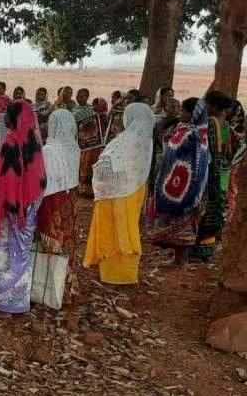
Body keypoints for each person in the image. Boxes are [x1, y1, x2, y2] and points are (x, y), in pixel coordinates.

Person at [0, 101, 46, 316]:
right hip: (27, 210)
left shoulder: (11, 142)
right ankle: (17, 301)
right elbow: (38, 181)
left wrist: (5, 201)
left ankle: (4, 302)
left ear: (15, 118)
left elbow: (8, 180)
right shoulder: (33, 143)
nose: (4, 119)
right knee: (21, 254)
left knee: (5, 252)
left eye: (7, 115)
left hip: (11, 211)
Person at [83, 102, 155, 284]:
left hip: (115, 194)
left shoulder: (124, 140)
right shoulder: (146, 139)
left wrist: (99, 177)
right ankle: (127, 274)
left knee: (113, 229)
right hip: (135, 190)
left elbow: (105, 165)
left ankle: (113, 274)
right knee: (129, 228)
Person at [146, 98, 209, 266]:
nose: (181, 114)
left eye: (184, 111)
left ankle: (181, 259)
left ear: (193, 114)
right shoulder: (190, 131)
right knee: (178, 221)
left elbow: (196, 162)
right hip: (176, 183)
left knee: (184, 222)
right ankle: (178, 257)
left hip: (186, 187)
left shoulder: (193, 134)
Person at [32, 109, 80, 307]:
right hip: (69, 202)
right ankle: (66, 287)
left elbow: (41, 183)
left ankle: (48, 290)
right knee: (66, 243)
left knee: (49, 245)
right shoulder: (74, 149)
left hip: (51, 203)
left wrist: (32, 209)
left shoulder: (48, 151)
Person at [194, 90, 235, 260]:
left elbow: (206, 150)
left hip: (209, 171)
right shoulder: (223, 122)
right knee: (214, 207)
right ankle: (207, 250)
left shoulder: (210, 123)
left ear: (214, 106)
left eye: (207, 104)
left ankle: (199, 249)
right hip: (219, 170)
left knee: (206, 209)